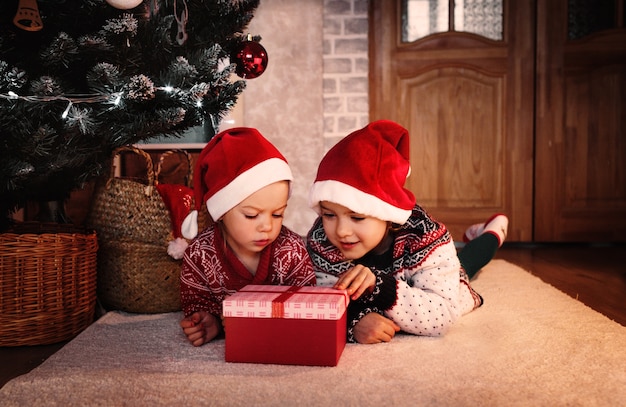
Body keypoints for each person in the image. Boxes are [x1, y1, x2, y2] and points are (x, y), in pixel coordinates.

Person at [306, 120, 508, 344]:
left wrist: (381, 288)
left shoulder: (426, 237)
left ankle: (492, 232)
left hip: (428, 270)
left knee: (466, 266)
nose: (341, 231)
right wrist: (353, 321)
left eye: (357, 217)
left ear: (386, 214)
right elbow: (320, 298)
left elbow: (441, 317)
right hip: (410, 282)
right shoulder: (321, 239)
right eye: (329, 215)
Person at [178, 127, 316, 346]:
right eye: (251, 215)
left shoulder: (291, 250)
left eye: (278, 213)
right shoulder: (200, 254)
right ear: (221, 212)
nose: (267, 226)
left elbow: (308, 302)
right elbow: (195, 300)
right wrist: (208, 320)